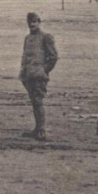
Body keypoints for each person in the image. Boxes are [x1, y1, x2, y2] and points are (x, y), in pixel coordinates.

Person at [18, 12, 58, 140]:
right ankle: (37, 128)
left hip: (39, 76)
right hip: (28, 75)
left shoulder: (46, 37)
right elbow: (25, 56)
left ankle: (41, 130)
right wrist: (23, 71)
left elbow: (53, 57)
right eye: (29, 22)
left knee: (38, 101)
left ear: (39, 22)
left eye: (34, 21)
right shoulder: (27, 38)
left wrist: (43, 70)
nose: (32, 24)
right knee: (34, 101)